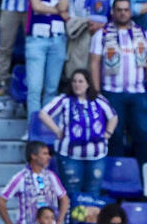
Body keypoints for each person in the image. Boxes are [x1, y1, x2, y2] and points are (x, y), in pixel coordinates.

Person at [89, 0, 147, 164]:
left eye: (126, 10)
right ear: (113, 12)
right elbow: (94, 63)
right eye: (119, 9)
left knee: (141, 133)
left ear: (131, 12)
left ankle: (143, 175)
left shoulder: (143, 34)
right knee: (115, 134)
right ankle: (115, 173)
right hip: (112, 92)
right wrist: (97, 93)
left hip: (139, 92)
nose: (122, 13)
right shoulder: (102, 34)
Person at [41, 69, 116, 200]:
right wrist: (57, 131)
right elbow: (43, 114)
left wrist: (108, 133)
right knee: (72, 195)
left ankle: (90, 221)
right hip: (70, 156)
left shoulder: (99, 99)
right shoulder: (64, 100)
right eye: (74, 81)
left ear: (88, 84)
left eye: (81, 81)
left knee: (93, 195)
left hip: (96, 156)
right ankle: (72, 221)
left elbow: (113, 116)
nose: (77, 84)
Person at [25, 0, 74, 119]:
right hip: (37, 38)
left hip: (58, 39)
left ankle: (45, 130)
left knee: (52, 88)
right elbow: (37, 7)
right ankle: (33, 130)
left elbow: (65, 8)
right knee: (34, 88)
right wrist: (59, 10)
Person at [0, 141, 70, 224]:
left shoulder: (51, 176)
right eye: (44, 154)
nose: (48, 157)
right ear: (34, 156)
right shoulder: (20, 178)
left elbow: (65, 199)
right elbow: (0, 201)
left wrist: (59, 222)